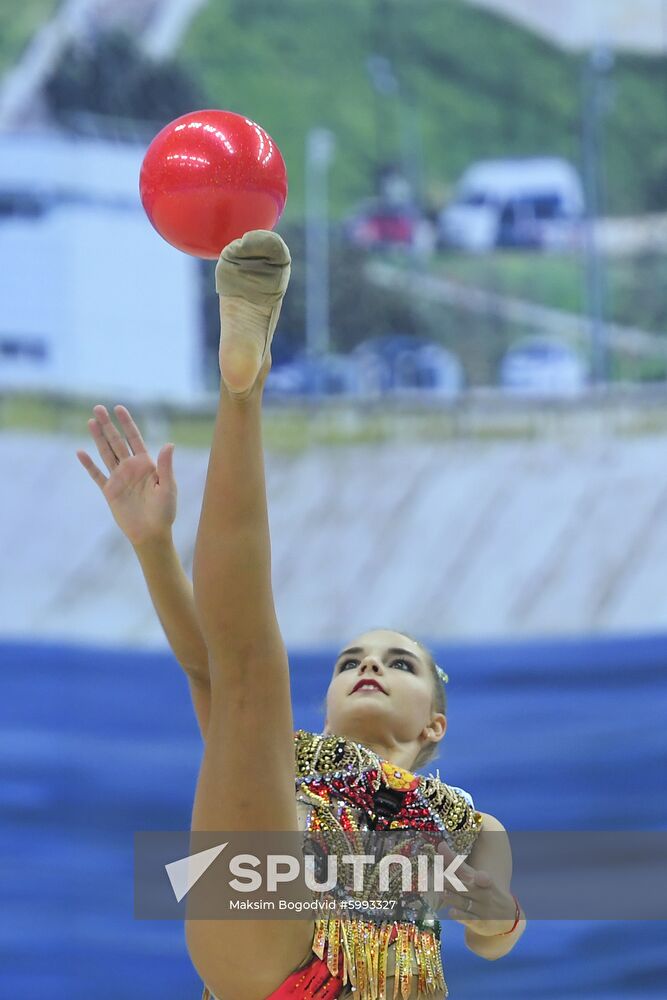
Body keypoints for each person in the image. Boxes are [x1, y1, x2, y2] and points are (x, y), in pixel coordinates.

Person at [77, 231, 526, 1000]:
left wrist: (494, 914)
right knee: (249, 673)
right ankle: (241, 382)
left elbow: (490, 937)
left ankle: (244, 383)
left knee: (247, 679)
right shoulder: (288, 763)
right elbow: (212, 662)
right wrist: (153, 545)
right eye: (352, 660)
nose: (368, 667)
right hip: (275, 946)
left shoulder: (468, 825)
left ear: (433, 727)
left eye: (398, 661)